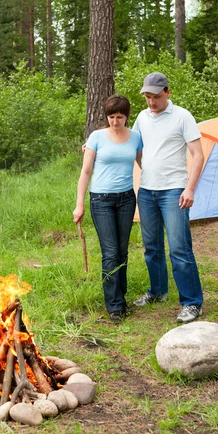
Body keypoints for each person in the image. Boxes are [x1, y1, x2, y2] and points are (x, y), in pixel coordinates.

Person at [133, 72, 204, 323]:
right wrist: (93, 144)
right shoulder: (141, 117)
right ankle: (157, 291)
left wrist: (190, 188)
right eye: (147, 97)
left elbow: (198, 155)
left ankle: (192, 303)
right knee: (151, 247)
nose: (151, 102)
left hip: (175, 190)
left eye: (156, 96)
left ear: (167, 93)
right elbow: (133, 146)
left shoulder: (182, 116)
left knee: (179, 248)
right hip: (147, 191)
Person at [73, 95, 143, 323]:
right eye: (111, 117)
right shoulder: (97, 137)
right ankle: (113, 306)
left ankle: (121, 300)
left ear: (127, 116)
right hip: (101, 200)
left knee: (123, 252)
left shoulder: (136, 138)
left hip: (126, 199)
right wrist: (79, 204)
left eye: (119, 117)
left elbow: (144, 166)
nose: (115, 121)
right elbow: (85, 172)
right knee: (111, 252)